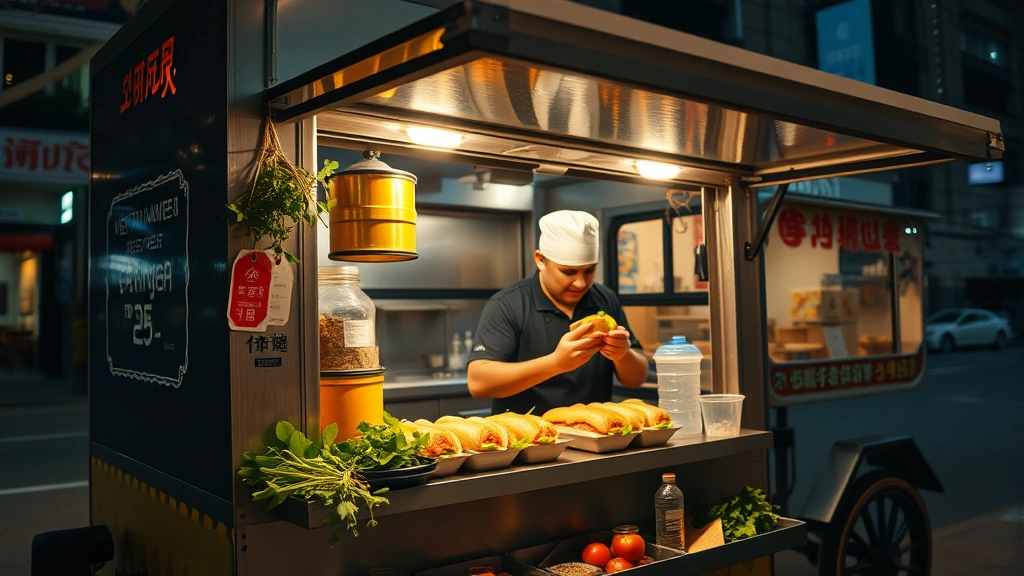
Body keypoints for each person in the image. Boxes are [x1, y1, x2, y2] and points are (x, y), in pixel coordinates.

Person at [467, 210, 648, 415]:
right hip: (530, 440)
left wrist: (622, 354)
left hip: (594, 436)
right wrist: (555, 363)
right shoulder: (508, 304)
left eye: (589, 271)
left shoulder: (605, 300)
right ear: (540, 260)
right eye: (568, 272)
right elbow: (478, 382)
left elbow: (636, 378)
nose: (580, 283)